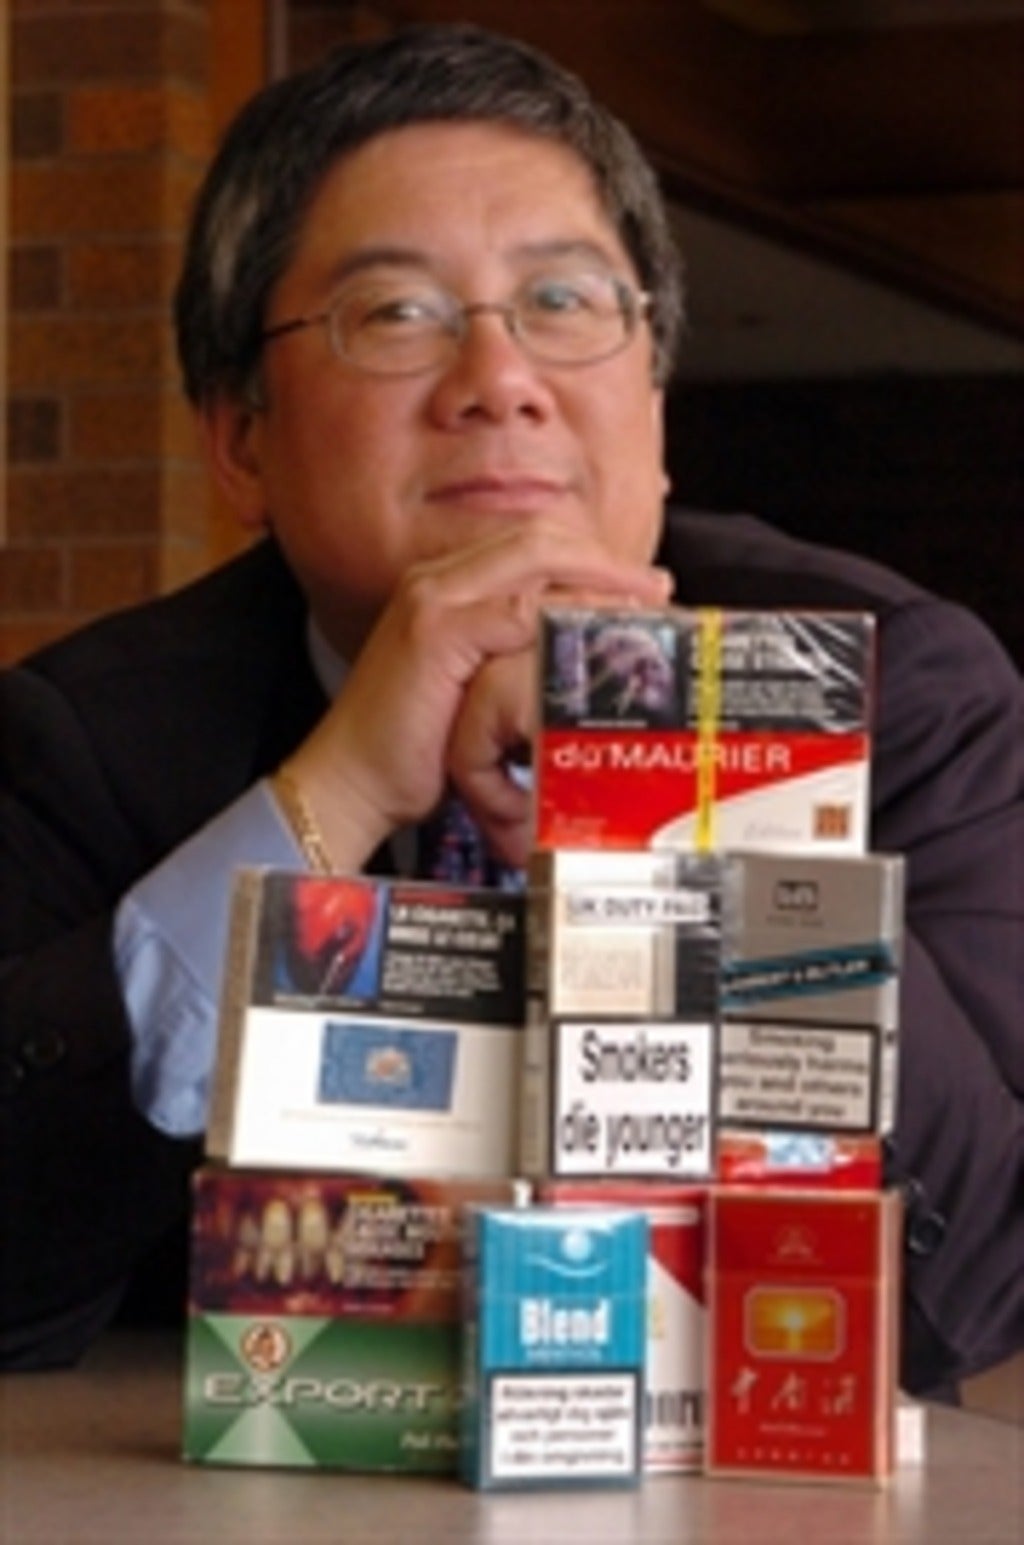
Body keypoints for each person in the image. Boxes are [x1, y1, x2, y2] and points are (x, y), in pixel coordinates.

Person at [0, 25, 1020, 1394]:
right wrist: (335, 794)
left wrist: (681, 793)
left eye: (563, 301)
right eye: (398, 314)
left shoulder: (906, 688)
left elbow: (971, 1293)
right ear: (242, 438)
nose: (500, 378)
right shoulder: (91, 741)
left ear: (650, 403)